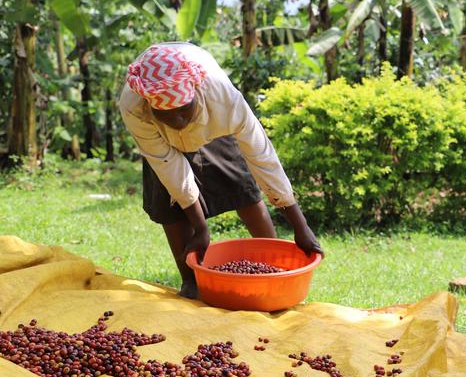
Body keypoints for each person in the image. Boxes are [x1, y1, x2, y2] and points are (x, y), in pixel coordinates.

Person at [119, 42, 323, 298]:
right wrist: (201, 229)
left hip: (211, 122)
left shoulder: (224, 100)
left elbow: (262, 157)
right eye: (168, 115)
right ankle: (191, 281)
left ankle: (272, 264)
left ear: (195, 92)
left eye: (184, 111)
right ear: (150, 107)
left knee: (241, 186)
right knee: (169, 200)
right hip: (162, 146)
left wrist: (300, 226)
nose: (179, 122)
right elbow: (171, 170)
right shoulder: (133, 106)